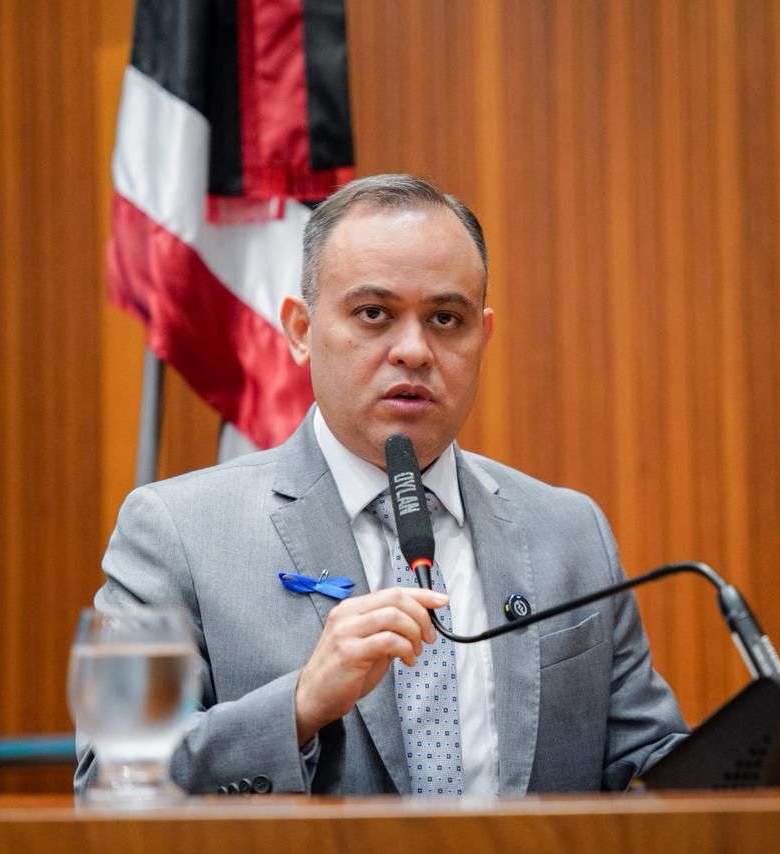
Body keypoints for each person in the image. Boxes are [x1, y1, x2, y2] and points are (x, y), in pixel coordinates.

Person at [74, 174, 687, 797]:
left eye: (446, 318)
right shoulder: (176, 532)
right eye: (374, 314)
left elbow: (654, 767)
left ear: (483, 337)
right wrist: (298, 707)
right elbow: (111, 783)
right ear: (300, 330)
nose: (414, 350)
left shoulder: (571, 533)